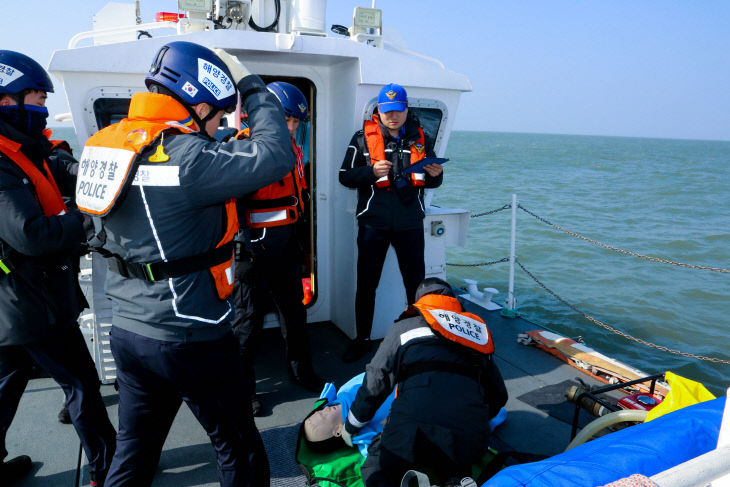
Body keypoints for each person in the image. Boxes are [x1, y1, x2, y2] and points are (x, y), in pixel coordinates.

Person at [75, 41, 295, 486]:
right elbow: (276, 154)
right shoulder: (189, 158)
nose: (215, 129)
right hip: (192, 335)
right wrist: (252, 87)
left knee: (134, 451)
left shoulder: (103, 144)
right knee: (238, 448)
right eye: (215, 117)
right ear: (196, 103)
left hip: (129, 333)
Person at [0, 50, 116, 486]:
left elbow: (65, 168)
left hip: (18, 298)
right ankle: (109, 469)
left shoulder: (27, 150)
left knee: (7, 382)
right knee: (82, 384)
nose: (42, 107)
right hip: (30, 300)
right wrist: (88, 218)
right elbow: (31, 233)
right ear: (5, 100)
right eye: (34, 97)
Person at [341, 278, 508, 487]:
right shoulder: (477, 334)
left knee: (377, 466)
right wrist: (473, 419)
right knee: (457, 462)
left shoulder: (403, 327)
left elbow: (376, 381)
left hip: (412, 432)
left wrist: (351, 425)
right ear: (453, 300)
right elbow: (499, 395)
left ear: (420, 303)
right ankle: (456, 479)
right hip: (469, 440)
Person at [232, 81, 323, 416]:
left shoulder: (292, 152)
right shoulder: (243, 148)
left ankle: (302, 372)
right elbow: (232, 205)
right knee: (247, 325)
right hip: (253, 253)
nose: (291, 127)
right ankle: (245, 390)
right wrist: (242, 248)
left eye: (297, 122)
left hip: (284, 248)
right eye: (286, 120)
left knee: (295, 314)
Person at [339, 83, 444, 362]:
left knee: (416, 284)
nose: (392, 116)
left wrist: (436, 173)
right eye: (387, 111)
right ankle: (362, 339)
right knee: (367, 283)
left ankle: (420, 338)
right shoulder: (362, 138)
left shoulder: (421, 138)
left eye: (398, 110)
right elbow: (345, 177)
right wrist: (371, 172)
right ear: (379, 111)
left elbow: (433, 181)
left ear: (406, 109)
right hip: (374, 224)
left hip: (410, 224)